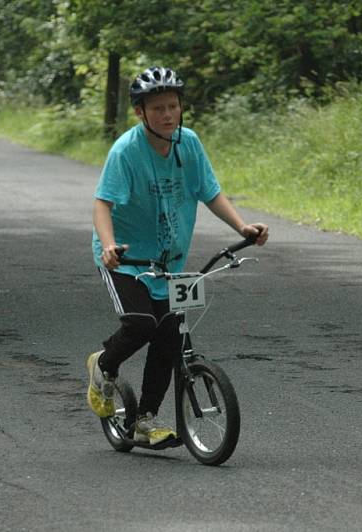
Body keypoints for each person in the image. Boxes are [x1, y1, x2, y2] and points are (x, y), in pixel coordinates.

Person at [88, 66, 269, 445]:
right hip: (125, 258)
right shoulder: (126, 151)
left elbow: (210, 192)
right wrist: (108, 246)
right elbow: (102, 205)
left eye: (173, 106)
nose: (168, 114)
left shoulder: (190, 143)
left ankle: (145, 420)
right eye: (158, 109)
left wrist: (242, 228)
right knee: (141, 325)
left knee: (170, 333)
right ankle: (102, 367)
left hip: (168, 262)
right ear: (140, 112)